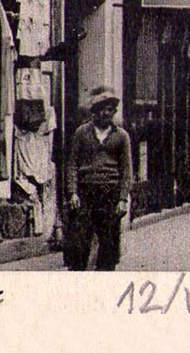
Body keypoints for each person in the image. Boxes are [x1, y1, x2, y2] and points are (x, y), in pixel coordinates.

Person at [66, 89, 133, 271]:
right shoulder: (82, 133)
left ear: (114, 112)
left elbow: (126, 170)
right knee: (80, 241)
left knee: (109, 242)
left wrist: (122, 199)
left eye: (110, 110)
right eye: (101, 109)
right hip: (85, 192)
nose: (105, 113)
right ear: (94, 111)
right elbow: (72, 164)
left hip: (109, 192)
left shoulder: (121, 136)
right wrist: (73, 192)